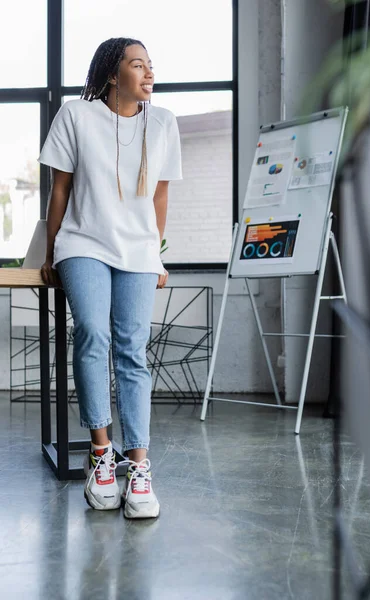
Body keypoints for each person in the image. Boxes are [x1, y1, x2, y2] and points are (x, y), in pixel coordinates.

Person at [38, 37, 182, 519]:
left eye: (150, 64)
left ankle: (138, 466)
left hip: (138, 251)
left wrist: (156, 256)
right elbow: (60, 191)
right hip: (83, 245)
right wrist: (52, 250)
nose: (148, 72)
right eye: (137, 64)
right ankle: (101, 454)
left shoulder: (163, 123)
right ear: (111, 73)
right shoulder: (75, 117)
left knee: (132, 349)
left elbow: (159, 199)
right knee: (94, 334)